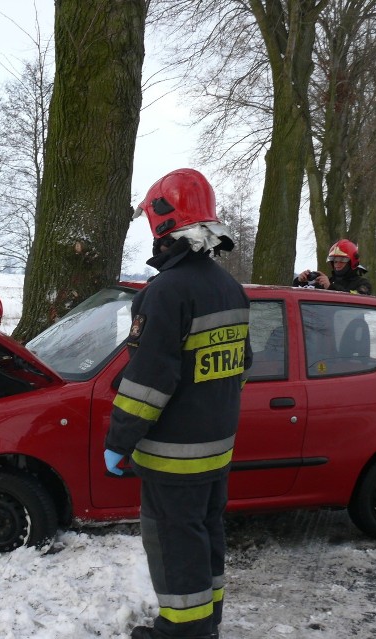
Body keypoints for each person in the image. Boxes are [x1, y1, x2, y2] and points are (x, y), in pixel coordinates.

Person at [103, 168, 253, 639]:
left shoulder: (165, 292)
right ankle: (207, 622)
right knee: (206, 535)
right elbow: (241, 364)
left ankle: (183, 632)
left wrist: (118, 440)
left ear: (163, 222)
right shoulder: (229, 288)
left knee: (173, 541)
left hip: (173, 455)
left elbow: (150, 380)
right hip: (217, 448)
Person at [294, 238, 372, 295]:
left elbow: (357, 299)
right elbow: (303, 297)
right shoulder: (327, 282)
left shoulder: (363, 284)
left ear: (352, 262)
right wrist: (300, 282)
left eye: (342, 260)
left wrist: (331, 288)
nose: (337, 264)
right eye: (335, 261)